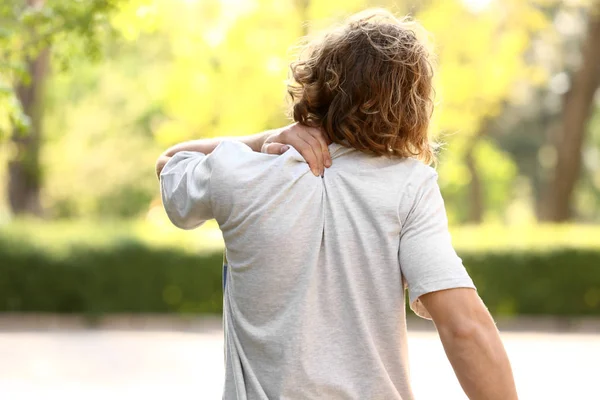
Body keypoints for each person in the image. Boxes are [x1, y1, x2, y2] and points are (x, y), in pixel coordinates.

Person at [156, 8, 518, 400]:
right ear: (412, 105)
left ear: (316, 85)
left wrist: (265, 140)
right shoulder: (409, 186)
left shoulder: (242, 171)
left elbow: (170, 162)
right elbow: (463, 326)